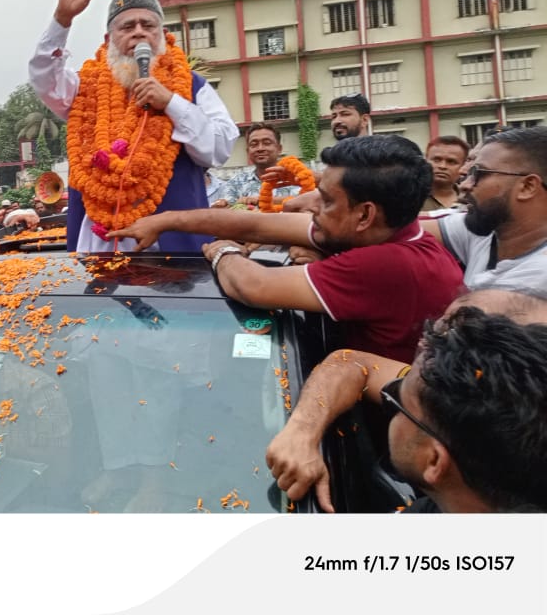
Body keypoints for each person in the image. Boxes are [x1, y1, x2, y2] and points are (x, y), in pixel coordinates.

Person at [111, 135, 464, 362]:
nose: (310, 207)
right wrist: (166, 220)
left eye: (325, 200)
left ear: (364, 214)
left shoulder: (389, 264)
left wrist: (221, 251)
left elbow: (254, 287)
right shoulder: (380, 231)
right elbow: (256, 224)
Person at [266, 286, 547, 512]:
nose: (388, 389)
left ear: (434, 460)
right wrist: (302, 432)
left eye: (395, 399)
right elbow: (354, 365)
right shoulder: (481, 396)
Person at [28, 0, 238, 252]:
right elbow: (43, 77)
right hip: (99, 252)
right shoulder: (84, 87)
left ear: (163, 36)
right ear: (109, 39)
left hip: (174, 255)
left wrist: (171, 103)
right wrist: (62, 19)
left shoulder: (193, 87)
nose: (139, 33)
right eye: (127, 26)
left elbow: (219, 149)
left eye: (148, 25)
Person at [421, 126, 547, 291]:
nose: (464, 184)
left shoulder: (539, 275)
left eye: (478, 173)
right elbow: (391, 226)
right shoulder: (486, 230)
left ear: (527, 187)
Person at [223, 124, 300, 207]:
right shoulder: (236, 183)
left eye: (267, 143)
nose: (260, 148)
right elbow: (227, 211)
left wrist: (261, 200)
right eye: (254, 144)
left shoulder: (296, 178)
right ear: (248, 151)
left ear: (279, 149)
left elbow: (308, 201)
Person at [421, 136, 469, 212]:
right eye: (436, 160)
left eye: (451, 162)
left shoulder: (470, 201)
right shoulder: (407, 198)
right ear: (425, 161)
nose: (442, 166)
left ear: (463, 166)